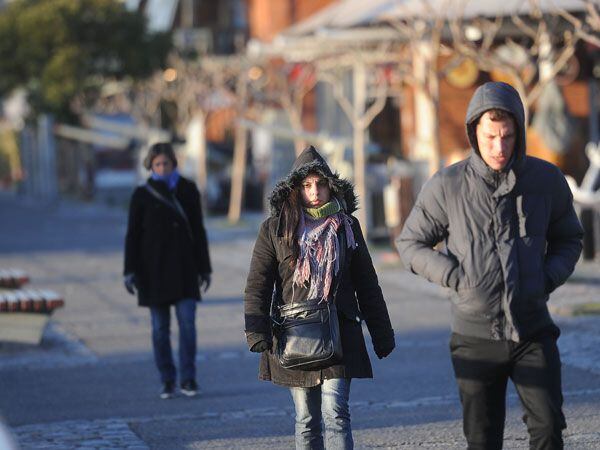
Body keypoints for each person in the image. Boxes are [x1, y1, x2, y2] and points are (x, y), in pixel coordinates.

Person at [396, 81, 583, 450]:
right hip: (474, 338)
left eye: (507, 136)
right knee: (483, 440)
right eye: (490, 137)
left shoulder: (545, 181)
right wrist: (454, 276)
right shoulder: (447, 185)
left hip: (533, 331)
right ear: (474, 133)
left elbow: (569, 238)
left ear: (518, 133)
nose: (499, 147)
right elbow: (410, 244)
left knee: (548, 431)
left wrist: (547, 278)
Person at [244, 146, 395, 449]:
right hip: (294, 334)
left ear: (331, 186)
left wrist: (382, 333)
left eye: (320, 184)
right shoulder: (275, 229)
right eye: (307, 185)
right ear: (295, 189)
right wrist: (255, 329)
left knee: (336, 412)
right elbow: (258, 283)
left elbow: (367, 284)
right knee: (306, 419)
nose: (314, 191)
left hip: (340, 332)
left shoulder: (347, 227)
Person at [124, 142, 212, 399]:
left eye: (166, 164)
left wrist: (204, 268)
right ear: (150, 166)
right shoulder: (141, 195)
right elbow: (132, 236)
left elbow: (198, 230)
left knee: (187, 325)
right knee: (160, 329)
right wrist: (129, 270)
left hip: (185, 270)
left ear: (174, 164)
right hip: (153, 273)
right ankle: (167, 378)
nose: (162, 168)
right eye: (157, 164)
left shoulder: (187, 189)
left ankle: (188, 378)